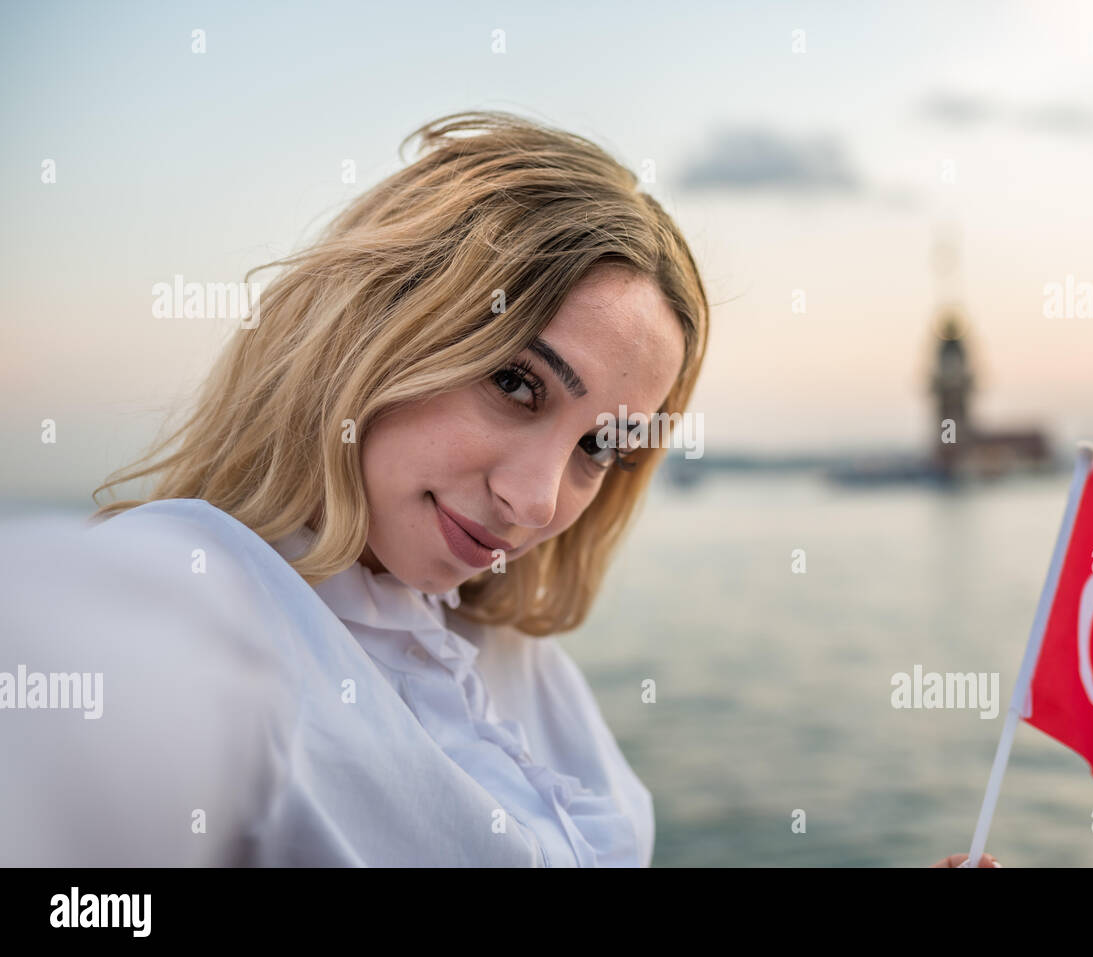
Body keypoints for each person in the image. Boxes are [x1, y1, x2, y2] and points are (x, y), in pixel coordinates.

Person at [0, 110, 1000, 868]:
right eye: (516, 384)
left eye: (599, 447)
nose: (535, 499)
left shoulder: (514, 664)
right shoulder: (196, 600)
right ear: (374, 328)